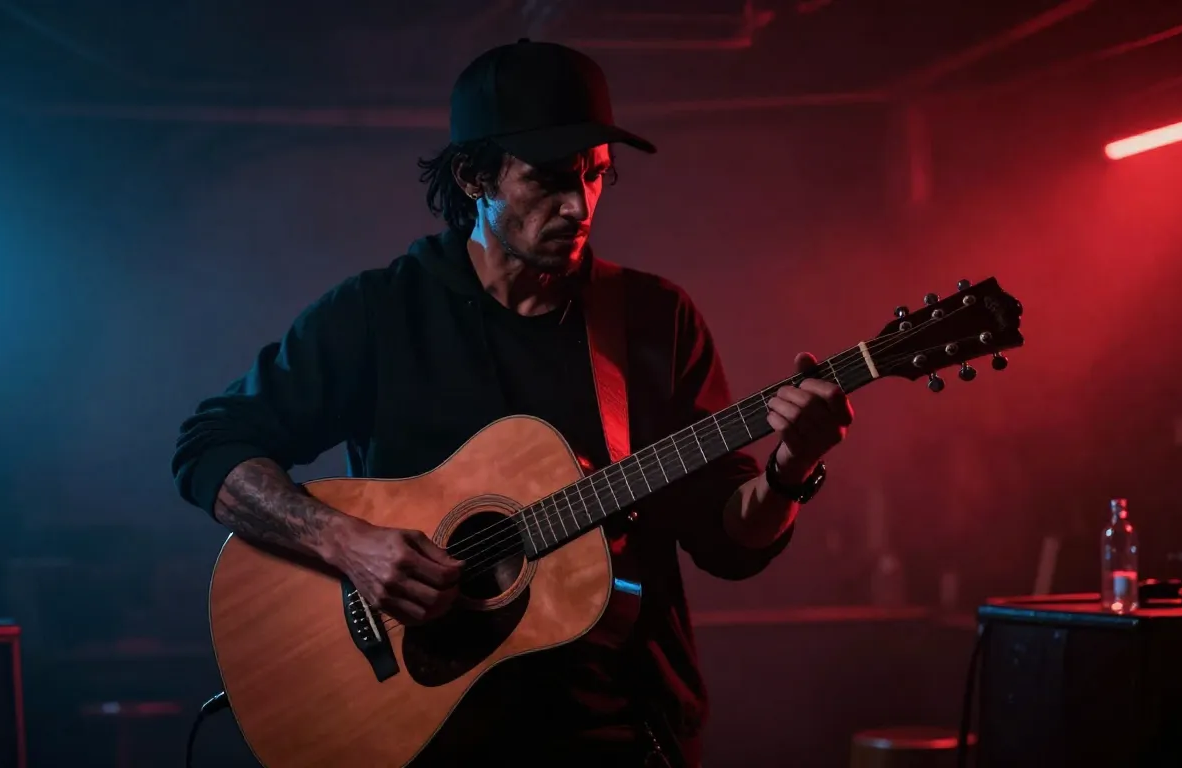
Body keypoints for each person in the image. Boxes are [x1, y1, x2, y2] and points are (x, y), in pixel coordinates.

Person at [172, 39, 853, 768]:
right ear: (473, 176)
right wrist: (345, 543)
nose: (579, 205)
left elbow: (728, 544)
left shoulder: (654, 320)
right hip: (421, 743)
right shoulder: (380, 313)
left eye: (595, 175)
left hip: (617, 735)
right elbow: (210, 448)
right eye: (550, 180)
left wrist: (789, 470)